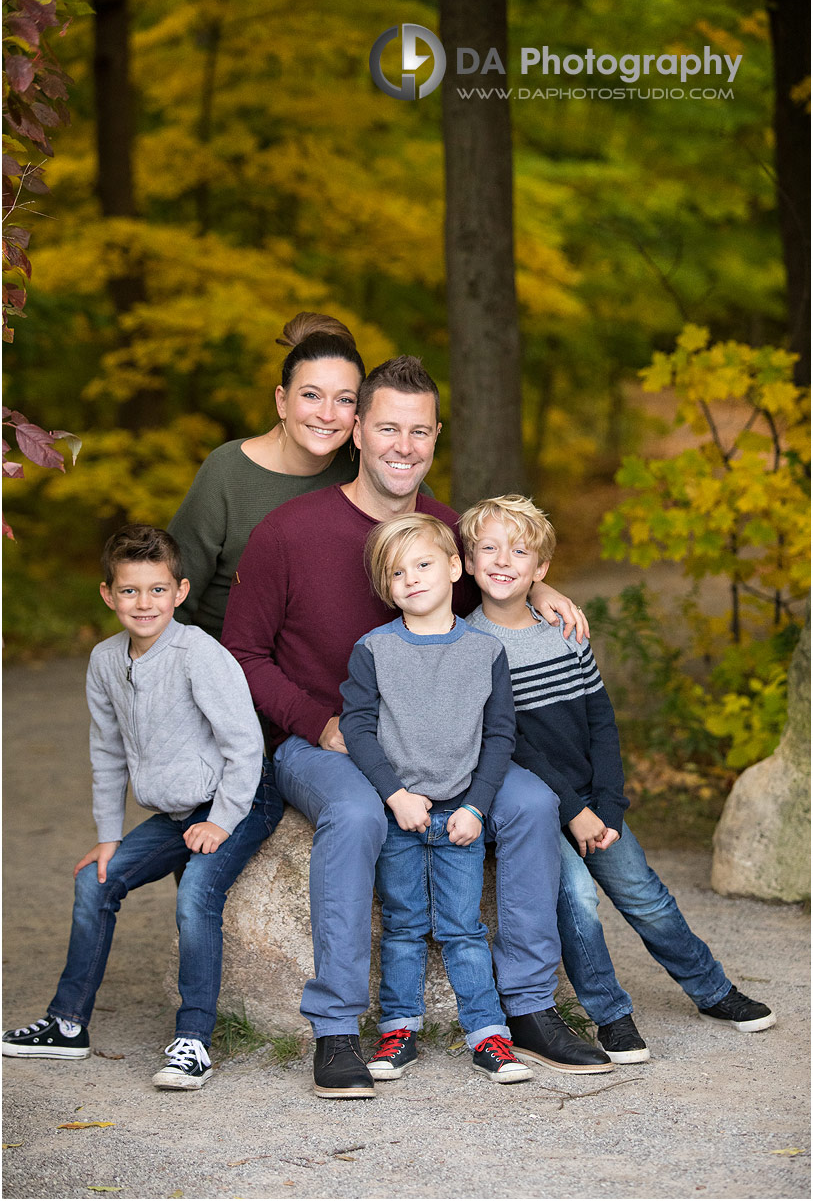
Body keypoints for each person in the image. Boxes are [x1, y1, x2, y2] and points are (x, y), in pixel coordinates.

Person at [222, 355, 612, 1099]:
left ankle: (527, 1006)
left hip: (446, 744)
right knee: (355, 810)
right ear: (358, 433)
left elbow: (503, 560)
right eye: (388, 428)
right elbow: (239, 652)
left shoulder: (442, 527)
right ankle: (337, 1026)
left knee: (530, 803)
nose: (404, 445)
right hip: (325, 740)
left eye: (421, 432)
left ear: (435, 439)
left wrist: (542, 585)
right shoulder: (288, 531)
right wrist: (317, 721)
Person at [459, 493, 777, 1064]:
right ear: (469, 559)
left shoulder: (563, 631)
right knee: (577, 898)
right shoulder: (472, 645)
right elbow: (512, 747)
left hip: (595, 802)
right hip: (544, 808)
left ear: (541, 570)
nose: (503, 560)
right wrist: (572, 809)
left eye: (519, 551)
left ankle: (712, 990)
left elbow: (601, 720)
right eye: (488, 548)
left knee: (645, 896)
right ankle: (611, 1016)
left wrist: (607, 802)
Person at [2, 525, 273, 1090]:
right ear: (108, 594)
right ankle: (67, 1022)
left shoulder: (200, 653)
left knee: (198, 893)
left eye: (156, 590)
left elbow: (245, 745)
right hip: (175, 814)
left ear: (180, 591)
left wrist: (220, 822)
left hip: (237, 800)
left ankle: (194, 1041)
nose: (143, 603)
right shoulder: (104, 661)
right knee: (94, 881)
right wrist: (108, 835)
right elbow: (106, 751)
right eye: (130, 591)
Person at [340, 514, 532, 1085]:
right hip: (400, 813)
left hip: (459, 816)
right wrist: (394, 796)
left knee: (462, 926)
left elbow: (499, 736)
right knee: (402, 925)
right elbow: (357, 727)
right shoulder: (373, 650)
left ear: (454, 567)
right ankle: (399, 1030)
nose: (412, 579)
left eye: (423, 565)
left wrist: (477, 806)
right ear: (385, 587)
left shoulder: (485, 650)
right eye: (397, 573)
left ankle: (488, 1034)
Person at [167, 311, 365, 641]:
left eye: (345, 399)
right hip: (224, 667)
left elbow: (434, 535)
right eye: (311, 395)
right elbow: (171, 595)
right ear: (282, 401)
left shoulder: (367, 469)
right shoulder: (227, 472)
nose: (327, 414)